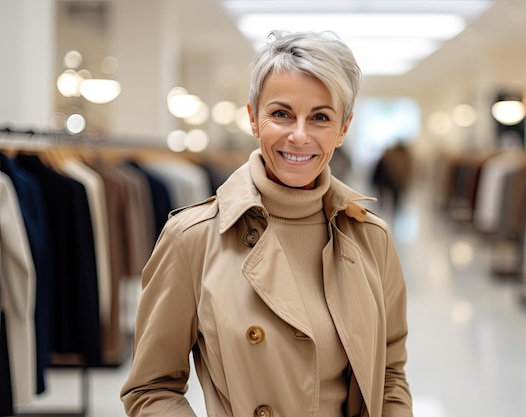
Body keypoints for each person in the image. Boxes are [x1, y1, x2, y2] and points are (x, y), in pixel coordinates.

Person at [120, 30, 413, 417]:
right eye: (281, 114)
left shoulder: (371, 236)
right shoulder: (193, 238)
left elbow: (390, 375)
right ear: (253, 119)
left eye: (320, 117)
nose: (299, 135)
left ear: (343, 128)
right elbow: (150, 388)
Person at [371, 141, 414, 214]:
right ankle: (388, 211)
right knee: (391, 200)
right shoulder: (403, 157)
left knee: (386, 200)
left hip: (389, 181)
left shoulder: (392, 156)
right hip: (392, 181)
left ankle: (384, 211)